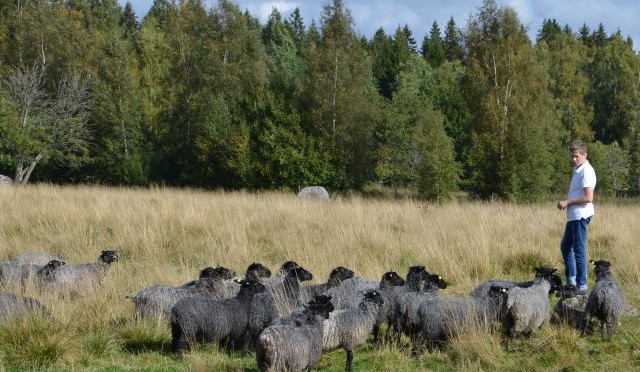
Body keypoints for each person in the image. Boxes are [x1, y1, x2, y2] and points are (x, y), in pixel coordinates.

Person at [557, 140, 596, 297]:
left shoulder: (587, 171)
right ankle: (572, 282)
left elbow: (588, 198)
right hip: (573, 216)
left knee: (578, 249)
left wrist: (568, 202)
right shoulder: (578, 170)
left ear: (584, 155)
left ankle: (582, 285)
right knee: (566, 247)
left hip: (580, 215)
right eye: (572, 156)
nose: (573, 159)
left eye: (577, 156)